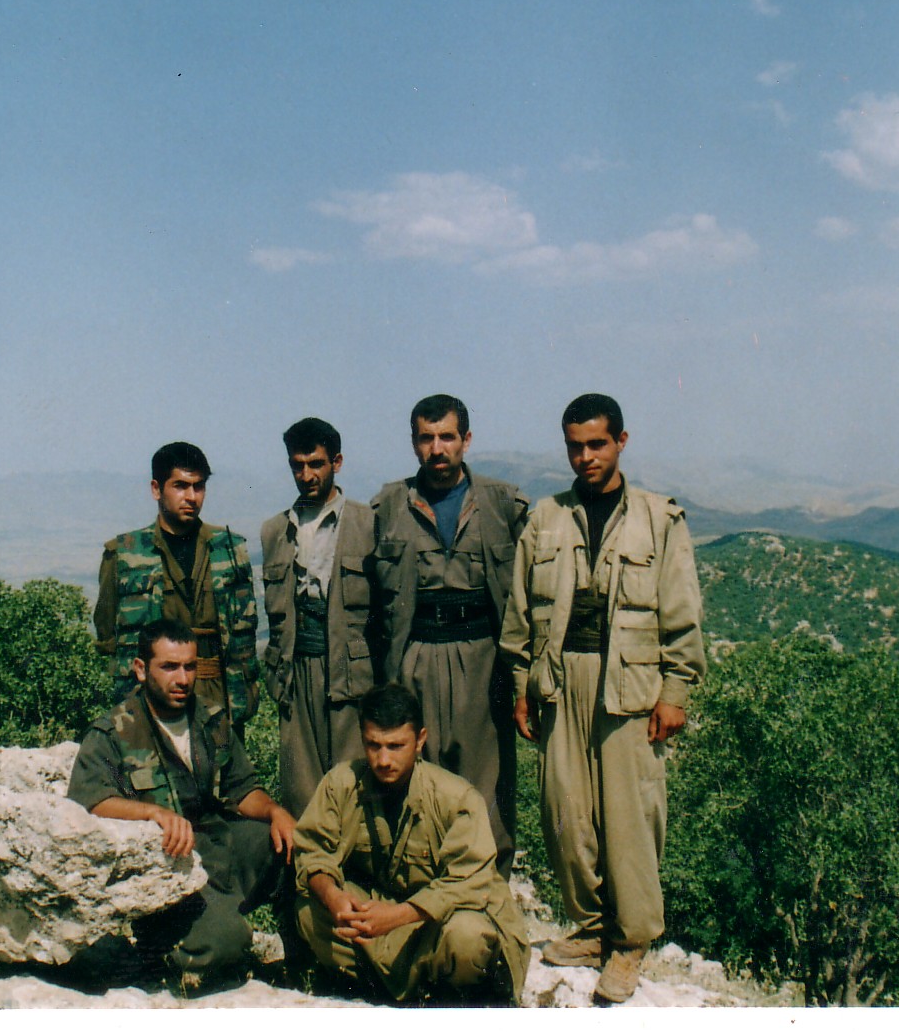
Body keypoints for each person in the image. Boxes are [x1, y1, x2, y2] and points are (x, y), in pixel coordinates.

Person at [499, 393, 706, 1003]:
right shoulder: (546, 518)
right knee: (564, 811)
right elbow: (520, 610)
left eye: (597, 444)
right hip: (560, 681)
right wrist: (521, 685)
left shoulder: (658, 518)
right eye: (575, 446)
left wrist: (675, 690)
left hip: (630, 686)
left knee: (630, 814)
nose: (585, 457)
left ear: (621, 441)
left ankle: (630, 940)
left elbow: (682, 612)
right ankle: (590, 927)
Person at [67, 618, 297, 993]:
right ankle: (166, 953)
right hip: (169, 870)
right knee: (225, 941)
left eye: (190, 667)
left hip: (218, 846)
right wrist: (152, 813)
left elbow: (242, 789)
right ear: (141, 669)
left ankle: (301, 960)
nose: (183, 679)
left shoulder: (210, 718)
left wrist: (275, 811)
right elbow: (89, 801)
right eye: (169, 667)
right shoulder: (114, 732)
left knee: (295, 848)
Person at [369, 394, 527, 877]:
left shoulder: (502, 503)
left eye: (447, 437)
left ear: (466, 440)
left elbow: (532, 592)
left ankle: (488, 890)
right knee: (416, 780)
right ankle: (421, 890)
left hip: (484, 659)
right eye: (426, 438)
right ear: (413, 442)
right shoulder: (388, 506)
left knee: (486, 783)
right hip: (413, 656)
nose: (437, 448)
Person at [293, 686, 529, 1004]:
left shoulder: (456, 798)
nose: (383, 760)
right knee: (310, 910)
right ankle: (386, 987)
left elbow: (468, 884)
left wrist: (395, 916)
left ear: (420, 740)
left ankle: (456, 990)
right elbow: (312, 852)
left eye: (396, 746)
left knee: (467, 937)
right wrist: (333, 896)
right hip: (379, 917)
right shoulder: (341, 784)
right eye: (373, 745)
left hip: (435, 922)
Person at [93, 441, 261, 731]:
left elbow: (245, 631)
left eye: (199, 486)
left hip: (219, 697)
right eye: (180, 486)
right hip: (150, 700)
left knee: (220, 759)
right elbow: (108, 635)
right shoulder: (125, 555)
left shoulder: (230, 550)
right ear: (156, 489)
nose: (191, 497)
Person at [260, 417, 379, 817]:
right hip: (295, 675)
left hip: (351, 674)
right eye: (298, 465)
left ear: (337, 463)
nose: (307, 475)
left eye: (316, 464)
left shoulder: (367, 523)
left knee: (355, 789)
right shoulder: (275, 531)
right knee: (301, 793)